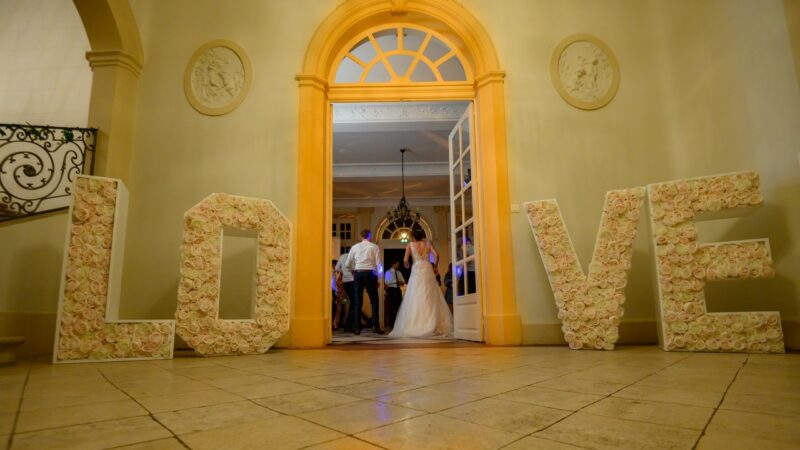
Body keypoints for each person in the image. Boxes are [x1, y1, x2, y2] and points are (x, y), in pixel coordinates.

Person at [388, 229, 453, 338]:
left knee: (416, 295)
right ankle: (432, 321)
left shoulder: (410, 245)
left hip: (417, 268)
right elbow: (437, 255)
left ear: (413, 236)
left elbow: (405, 260)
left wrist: (407, 264)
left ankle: (417, 323)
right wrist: (436, 267)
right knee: (430, 295)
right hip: (427, 268)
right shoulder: (428, 243)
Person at [346, 228, 383, 335]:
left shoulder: (354, 247)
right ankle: (376, 327)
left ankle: (357, 328)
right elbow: (379, 264)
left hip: (358, 273)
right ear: (369, 236)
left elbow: (347, 264)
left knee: (357, 301)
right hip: (370, 273)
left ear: (361, 236)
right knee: (374, 300)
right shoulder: (374, 247)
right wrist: (379, 278)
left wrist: (353, 271)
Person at [334, 252, 354, 331]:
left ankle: (338, 323)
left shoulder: (340, 275)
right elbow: (337, 284)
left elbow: (336, 269)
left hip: (343, 293)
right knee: (345, 306)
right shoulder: (353, 258)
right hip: (343, 293)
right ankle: (341, 323)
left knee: (342, 307)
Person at [383, 260, 405, 329]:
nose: (398, 265)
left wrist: (399, 282)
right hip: (391, 290)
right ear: (393, 264)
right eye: (397, 264)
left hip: (398, 290)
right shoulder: (388, 272)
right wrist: (396, 281)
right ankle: (392, 325)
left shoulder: (399, 272)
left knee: (399, 308)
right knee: (391, 308)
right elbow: (387, 282)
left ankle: (399, 324)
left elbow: (403, 282)